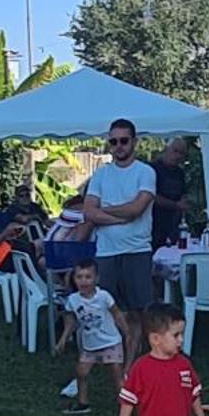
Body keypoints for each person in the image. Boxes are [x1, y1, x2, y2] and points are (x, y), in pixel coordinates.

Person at [83, 118, 158, 348]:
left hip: (137, 251)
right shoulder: (100, 175)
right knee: (108, 311)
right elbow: (88, 211)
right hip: (106, 253)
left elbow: (137, 209)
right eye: (113, 141)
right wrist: (122, 215)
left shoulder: (145, 172)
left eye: (124, 140)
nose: (118, 146)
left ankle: (145, 360)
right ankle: (114, 359)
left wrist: (103, 212)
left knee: (140, 311)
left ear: (134, 142)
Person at [54, 260, 129, 413]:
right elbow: (70, 320)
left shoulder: (103, 296)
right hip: (90, 344)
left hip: (110, 342)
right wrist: (62, 339)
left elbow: (117, 314)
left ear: (96, 279)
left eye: (88, 277)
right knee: (81, 372)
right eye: (79, 277)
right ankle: (83, 402)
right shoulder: (73, 300)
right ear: (74, 279)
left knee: (116, 375)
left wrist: (127, 332)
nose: (84, 281)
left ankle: (124, 403)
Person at [151, 135, 189, 250]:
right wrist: (175, 205)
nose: (178, 156)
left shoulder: (179, 173)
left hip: (173, 228)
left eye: (181, 153)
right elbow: (150, 196)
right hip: (153, 227)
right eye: (175, 151)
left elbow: (183, 194)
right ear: (167, 149)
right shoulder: (152, 169)